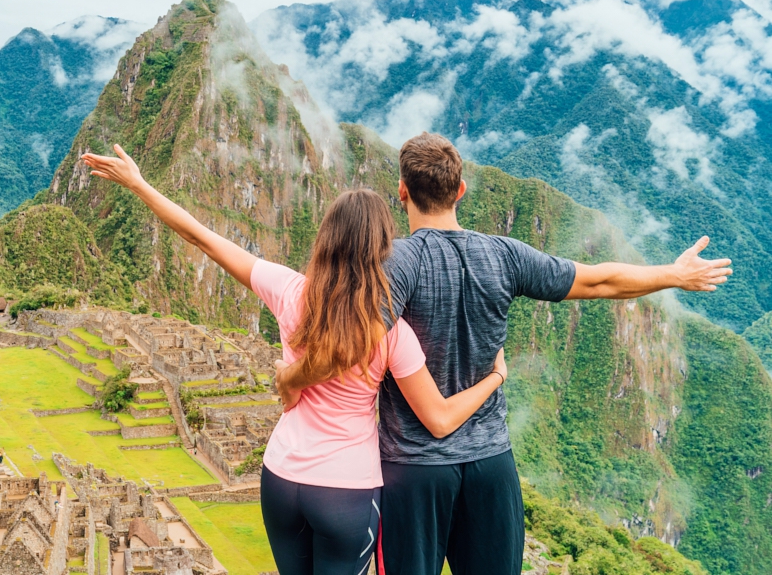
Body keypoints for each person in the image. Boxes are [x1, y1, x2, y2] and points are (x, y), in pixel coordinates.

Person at [277, 132, 733, 575]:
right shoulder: (504, 256)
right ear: (460, 190)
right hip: (490, 465)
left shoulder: (395, 264)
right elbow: (598, 280)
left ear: (402, 191)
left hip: (414, 473)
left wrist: (291, 379)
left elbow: (351, 345)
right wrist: (674, 275)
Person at [81, 146, 508, 574]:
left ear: (326, 237)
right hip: (347, 490)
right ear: (384, 249)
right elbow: (439, 418)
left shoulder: (290, 291)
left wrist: (139, 184)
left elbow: (202, 238)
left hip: (281, 478)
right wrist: (494, 377)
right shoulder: (391, 331)